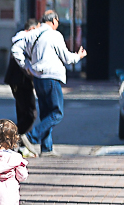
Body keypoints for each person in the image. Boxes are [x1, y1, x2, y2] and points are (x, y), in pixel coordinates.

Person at [22, 11, 85, 156]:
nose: (58, 24)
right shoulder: (54, 35)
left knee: (46, 114)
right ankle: (31, 136)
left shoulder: (33, 34)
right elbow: (67, 57)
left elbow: (22, 51)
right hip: (51, 78)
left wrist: (27, 66)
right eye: (57, 21)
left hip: (38, 78)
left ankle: (47, 147)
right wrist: (78, 56)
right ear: (53, 21)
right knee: (57, 113)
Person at [5, 18, 39, 142]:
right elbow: (17, 53)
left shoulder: (21, 38)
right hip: (20, 81)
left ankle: (21, 143)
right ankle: (16, 138)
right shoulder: (23, 39)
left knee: (23, 113)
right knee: (29, 113)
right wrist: (26, 67)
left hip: (20, 81)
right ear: (32, 29)